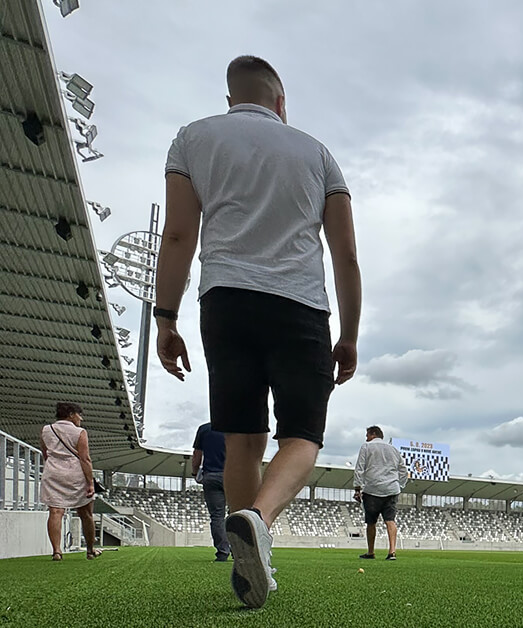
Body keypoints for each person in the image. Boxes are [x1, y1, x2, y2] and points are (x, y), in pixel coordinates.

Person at [155, 55, 362, 609]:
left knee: (242, 436)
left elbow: (177, 236)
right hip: (300, 304)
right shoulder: (318, 154)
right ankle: (259, 520)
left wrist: (165, 319)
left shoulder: (192, 139)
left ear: (230, 100)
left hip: (224, 298)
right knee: (302, 436)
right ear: (281, 102)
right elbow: (345, 254)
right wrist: (349, 334)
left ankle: (253, 570)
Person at [39, 402, 99, 561]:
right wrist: (90, 482)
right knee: (86, 513)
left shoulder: (46, 430)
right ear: (71, 414)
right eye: (79, 414)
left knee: (55, 512)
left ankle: (57, 551)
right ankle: (90, 549)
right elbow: (85, 459)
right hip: (74, 474)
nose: (81, 418)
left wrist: (53, 464)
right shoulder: (80, 432)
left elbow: (45, 452)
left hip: (53, 473)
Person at [353, 426, 409, 560]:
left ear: (373, 434)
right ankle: (392, 552)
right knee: (390, 520)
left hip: (372, 489)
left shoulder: (366, 447)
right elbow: (403, 470)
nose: (366, 438)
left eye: (367, 435)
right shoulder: (394, 449)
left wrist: (357, 488)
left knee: (371, 522)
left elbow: (360, 468)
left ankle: (371, 552)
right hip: (391, 489)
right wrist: (400, 485)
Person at [192, 422, 231, 561]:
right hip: (233, 476)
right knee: (237, 514)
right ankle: (239, 550)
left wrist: (195, 472)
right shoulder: (237, 427)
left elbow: (197, 454)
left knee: (217, 516)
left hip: (211, 476)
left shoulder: (204, 429)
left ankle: (222, 552)